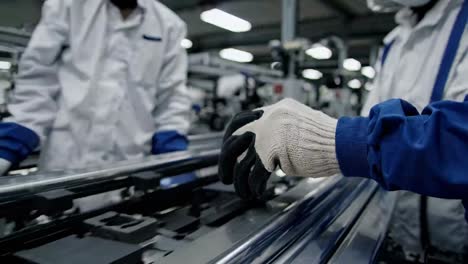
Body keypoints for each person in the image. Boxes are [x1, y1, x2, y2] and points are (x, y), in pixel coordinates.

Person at [220, 0, 468, 258]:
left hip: (455, 236)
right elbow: (373, 120)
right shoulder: (394, 42)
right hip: (396, 227)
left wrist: (332, 141)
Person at [0, 0, 191, 174]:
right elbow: (38, 78)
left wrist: (173, 155)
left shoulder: (169, 26)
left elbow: (172, 96)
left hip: (131, 166)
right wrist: (12, 141)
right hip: (62, 163)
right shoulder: (67, 6)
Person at [364, 0, 468, 257]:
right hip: (395, 234)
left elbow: (458, 140)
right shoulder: (394, 42)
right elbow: (368, 124)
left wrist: (331, 141)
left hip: (456, 243)